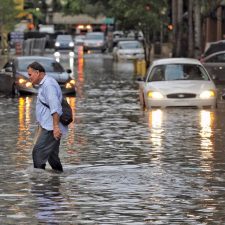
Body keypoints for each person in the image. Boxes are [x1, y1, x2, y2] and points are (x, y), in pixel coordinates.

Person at [27, 61, 68, 172]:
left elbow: (55, 107)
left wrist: (55, 127)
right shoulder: (45, 84)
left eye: (30, 75)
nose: (29, 77)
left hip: (50, 128)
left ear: (38, 72)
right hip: (48, 126)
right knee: (52, 156)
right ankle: (57, 179)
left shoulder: (48, 85)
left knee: (38, 152)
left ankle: (39, 184)